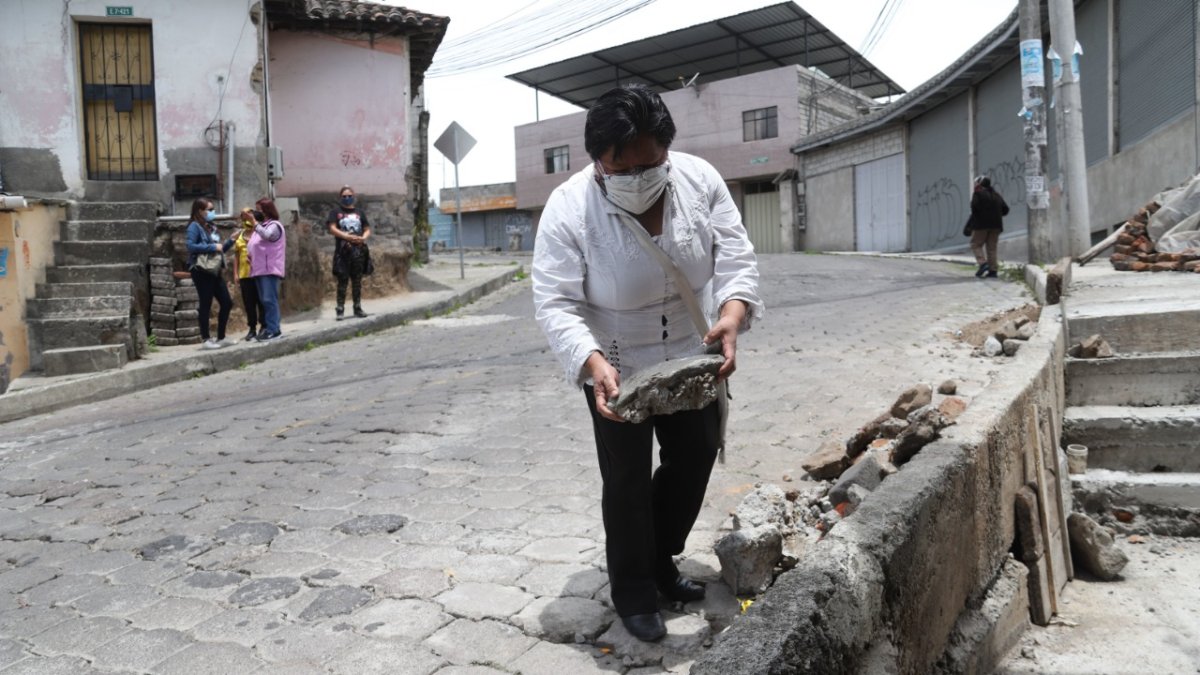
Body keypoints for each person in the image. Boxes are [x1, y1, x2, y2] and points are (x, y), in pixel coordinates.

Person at [531, 84, 763, 642]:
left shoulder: (700, 181)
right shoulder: (568, 207)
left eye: (651, 163)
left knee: (695, 456)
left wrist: (731, 316)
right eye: (624, 167)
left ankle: (662, 560)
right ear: (597, 161)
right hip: (615, 361)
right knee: (628, 478)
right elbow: (556, 300)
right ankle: (634, 589)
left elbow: (735, 258)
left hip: (690, 352)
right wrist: (590, 362)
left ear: (667, 151)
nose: (640, 175)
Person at [184, 197, 235, 349]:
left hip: (214, 269)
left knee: (226, 302)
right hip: (201, 270)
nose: (213, 212)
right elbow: (191, 246)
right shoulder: (194, 226)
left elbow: (219, 250)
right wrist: (213, 247)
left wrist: (230, 241)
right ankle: (206, 339)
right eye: (210, 209)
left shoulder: (210, 227)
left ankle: (220, 337)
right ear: (200, 211)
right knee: (205, 303)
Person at [326, 185, 372, 319]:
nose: (347, 198)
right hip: (343, 251)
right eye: (344, 196)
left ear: (354, 196)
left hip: (358, 251)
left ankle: (357, 308)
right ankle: (340, 309)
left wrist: (363, 238)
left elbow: (367, 228)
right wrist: (346, 236)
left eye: (349, 196)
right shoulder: (335, 212)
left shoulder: (360, 212)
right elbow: (332, 228)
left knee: (357, 281)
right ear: (340, 197)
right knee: (342, 280)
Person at [248, 198, 286, 341]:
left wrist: (254, 223)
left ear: (266, 210)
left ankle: (274, 330)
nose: (256, 212)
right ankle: (270, 328)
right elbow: (254, 244)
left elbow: (268, 236)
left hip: (269, 269)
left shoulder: (274, 225)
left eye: (258, 209)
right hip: (259, 269)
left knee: (269, 300)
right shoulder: (262, 226)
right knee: (265, 300)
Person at [231, 208, 264, 341]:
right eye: (243, 217)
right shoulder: (240, 235)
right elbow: (237, 256)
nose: (246, 220)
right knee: (249, 303)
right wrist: (235, 274)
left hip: (259, 273)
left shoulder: (259, 233)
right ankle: (252, 328)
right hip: (244, 274)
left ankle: (264, 326)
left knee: (261, 302)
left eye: (247, 216)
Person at [967, 175, 1009, 278]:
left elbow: (974, 207)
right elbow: (1006, 209)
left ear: (980, 184)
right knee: (992, 248)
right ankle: (993, 271)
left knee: (975, 244)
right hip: (996, 226)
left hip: (981, 225)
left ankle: (983, 263)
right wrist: (996, 215)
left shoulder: (978, 194)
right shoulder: (997, 195)